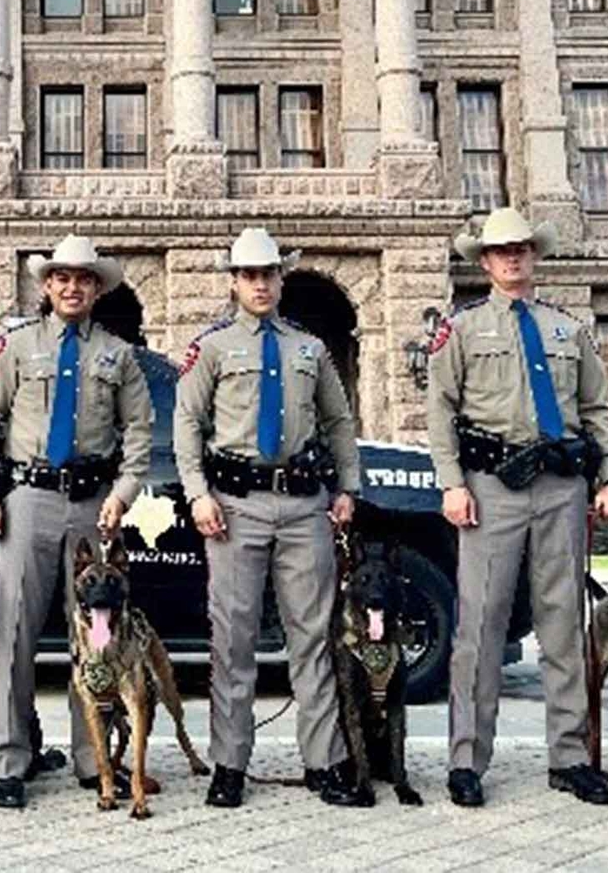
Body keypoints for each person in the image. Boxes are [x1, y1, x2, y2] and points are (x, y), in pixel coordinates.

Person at [428, 207, 608, 808]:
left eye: (521, 248)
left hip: (562, 488)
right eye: (500, 251)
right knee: (480, 627)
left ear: (533, 255)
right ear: (484, 262)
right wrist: (451, 483)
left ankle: (569, 757)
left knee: (563, 623)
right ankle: (467, 760)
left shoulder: (568, 329)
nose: (512, 257)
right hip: (492, 488)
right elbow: (440, 411)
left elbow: (598, 411)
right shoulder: (460, 330)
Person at [172, 228, 363, 809]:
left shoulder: (309, 349)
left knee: (313, 638)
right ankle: (230, 764)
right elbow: (187, 424)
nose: (260, 284)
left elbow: (338, 422)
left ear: (282, 278)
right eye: (249, 275)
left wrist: (347, 486)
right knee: (234, 641)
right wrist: (197, 494)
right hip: (235, 508)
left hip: (304, 505)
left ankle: (324, 762)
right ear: (233, 282)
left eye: (269, 274)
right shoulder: (212, 348)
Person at [0, 234, 154, 810]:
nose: (72, 287)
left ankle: (92, 759)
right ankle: (7, 762)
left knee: (97, 639)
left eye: (84, 279)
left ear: (98, 288)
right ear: (47, 286)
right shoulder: (17, 348)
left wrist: (123, 493)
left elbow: (141, 433)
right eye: (62, 278)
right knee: (14, 631)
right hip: (29, 499)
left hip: (94, 504)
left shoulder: (119, 355)